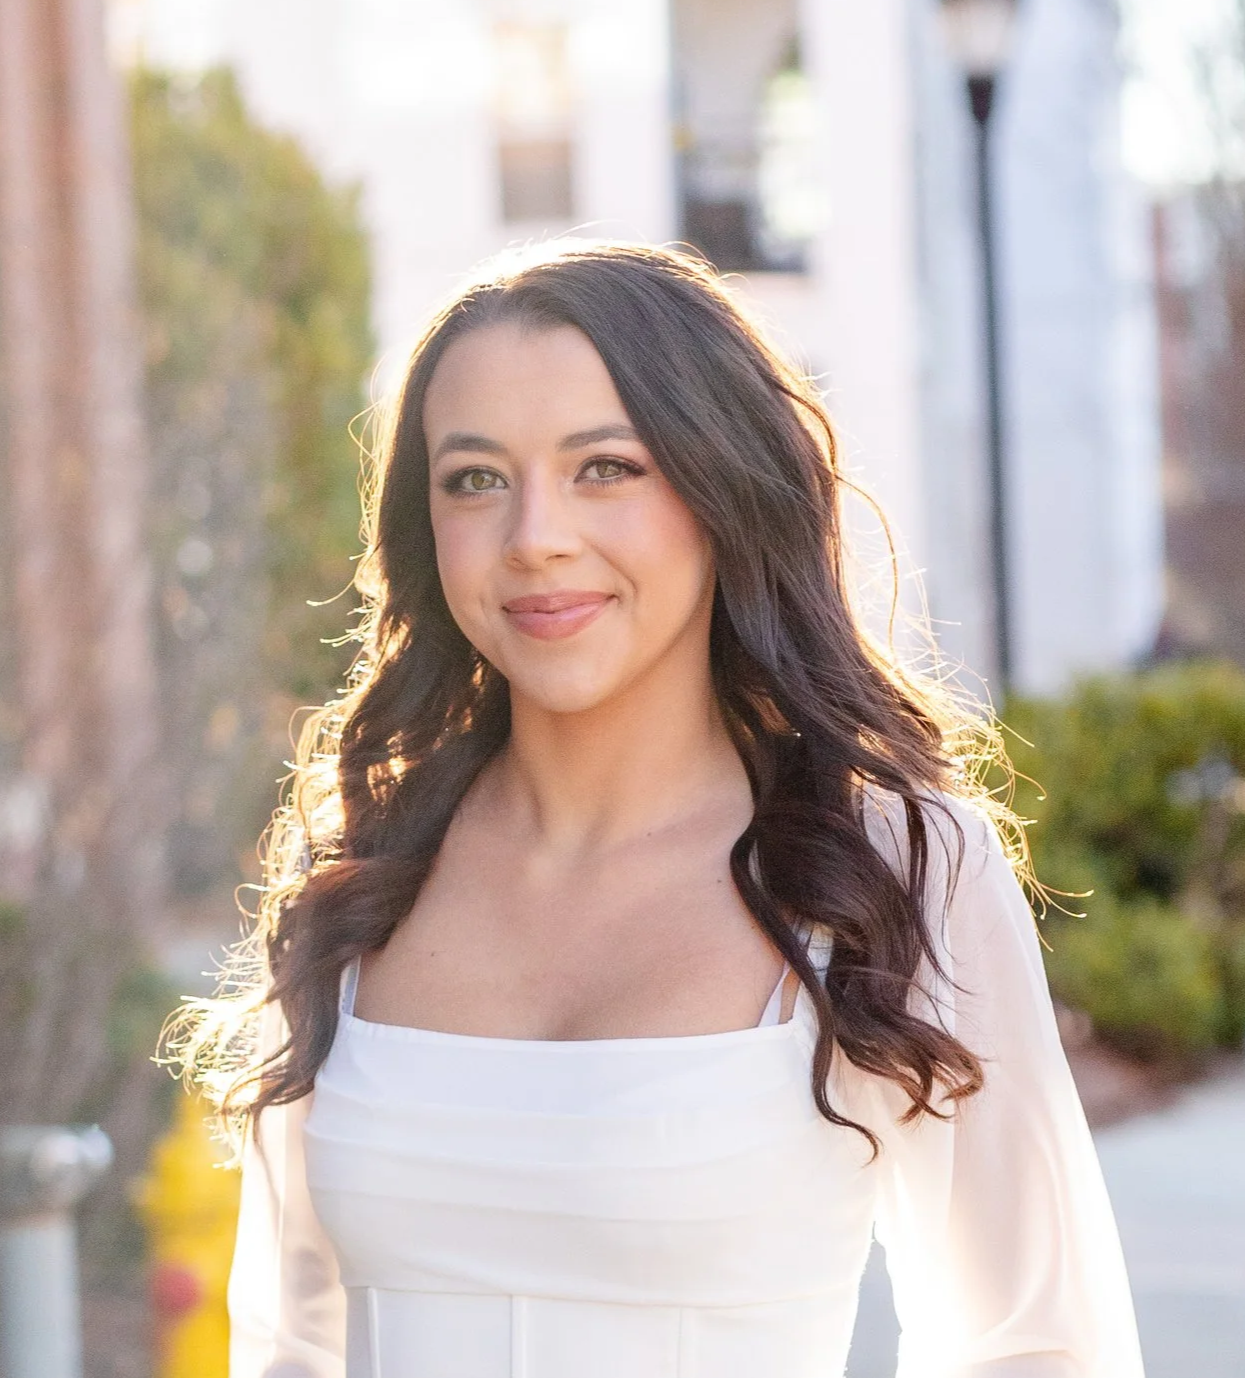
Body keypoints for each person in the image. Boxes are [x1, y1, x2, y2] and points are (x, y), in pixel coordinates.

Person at [176, 240, 1145, 1378]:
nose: (535, 535)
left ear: (721, 487)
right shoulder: (363, 876)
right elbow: (291, 1347)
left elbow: (1038, 1347)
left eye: (607, 468)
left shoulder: (890, 868)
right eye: (475, 478)